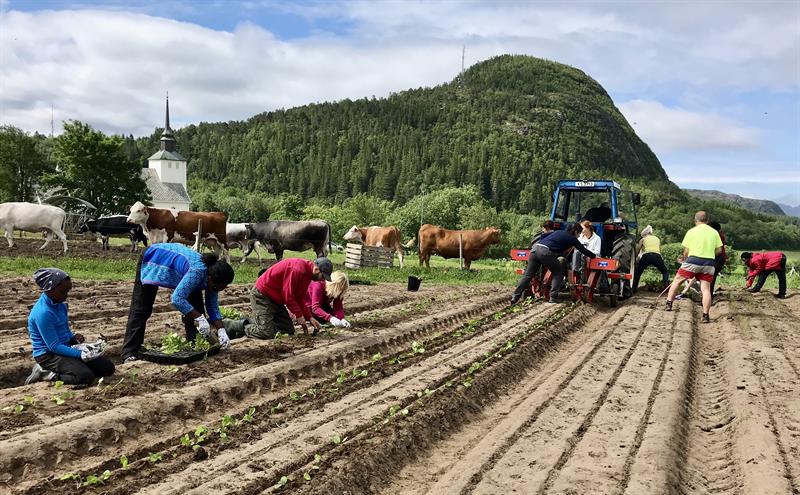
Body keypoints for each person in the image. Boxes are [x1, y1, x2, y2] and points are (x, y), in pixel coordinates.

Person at [121, 243, 235, 362]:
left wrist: (221, 330)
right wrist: (200, 318)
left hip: (185, 270)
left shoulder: (212, 278)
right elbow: (177, 299)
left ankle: (195, 344)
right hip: (154, 258)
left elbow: (212, 305)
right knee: (141, 308)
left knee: (196, 310)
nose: (214, 291)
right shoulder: (197, 272)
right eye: (215, 288)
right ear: (210, 278)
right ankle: (129, 352)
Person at [25, 268, 115, 385]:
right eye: (63, 292)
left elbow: (64, 329)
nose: (66, 296)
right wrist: (81, 355)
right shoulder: (43, 313)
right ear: (49, 289)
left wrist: (73, 338)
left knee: (108, 368)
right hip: (48, 355)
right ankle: (46, 373)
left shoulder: (60, 305)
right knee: (85, 377)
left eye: (67, 291)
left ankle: (75, 367)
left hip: (63, 347)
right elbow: (53, 346)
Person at [233, 257, 333, 339]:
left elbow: (299, 299)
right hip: (262, 295)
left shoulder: (307, 275)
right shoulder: (298, 269)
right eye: (322, 276)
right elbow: (288, 297)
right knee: (266, 333)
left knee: (288, 329)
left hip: (276, 300)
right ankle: (239, 325)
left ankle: (261, 321)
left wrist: (309, 317)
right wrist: (299, 315)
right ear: (316, 269)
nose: (322, 280)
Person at [511, 222, 597, 304]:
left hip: (535, 250)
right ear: (575, 231)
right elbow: (583, 250)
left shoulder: (558, 232)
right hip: (546, 253)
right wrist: (594, 256)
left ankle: (515, 297)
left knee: (527, 275)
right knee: (558, 272)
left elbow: (544, 235)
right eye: (579, 233)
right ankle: (553, 297)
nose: (579, 236)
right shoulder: (572, 238)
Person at [665, 211, 723, 323]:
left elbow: (686, 250)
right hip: (709, 263)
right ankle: (705, 315)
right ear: (707, 220)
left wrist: (684, 259)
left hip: (692, 260)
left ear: (695, 220)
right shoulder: (714, 232)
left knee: (677, 281)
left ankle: (669, 304)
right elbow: (719, 250)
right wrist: (709, 255)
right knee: (705, 289)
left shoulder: (691, 231)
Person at [632, 225, 670, 292]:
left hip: (646, 256)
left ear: (645, 234)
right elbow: (659, 249)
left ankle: (634, 288)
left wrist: (634, 258)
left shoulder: (643, 239)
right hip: (657, 256)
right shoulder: (657, 238)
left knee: (638, 272)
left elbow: (637, 250)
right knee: (665, 271)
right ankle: (666, 287)